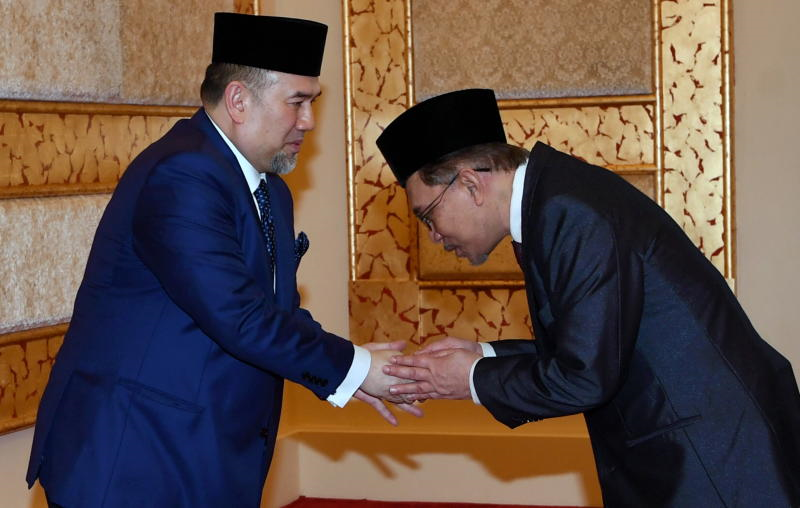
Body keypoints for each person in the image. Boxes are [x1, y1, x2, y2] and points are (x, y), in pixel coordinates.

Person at [26, 13, 416, 508]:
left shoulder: (269, 188)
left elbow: (271, 311)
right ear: (238, 100)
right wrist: (353, 368)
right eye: (297, 102)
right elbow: (239, 316)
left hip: (198, 457)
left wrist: (352, 368)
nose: (308, 121)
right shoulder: (184, 173)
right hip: (132, 460)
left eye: (312, 103)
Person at [378, 88, 800, 507]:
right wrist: (483, 355)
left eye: (428, 215)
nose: (433, 236)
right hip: (701, 446)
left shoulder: (571, 212)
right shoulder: (557, 198)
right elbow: (597, 345)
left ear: (471, 184)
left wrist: (470, 378)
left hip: (715, 459)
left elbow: (586, 377)